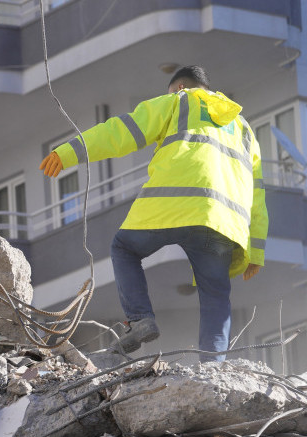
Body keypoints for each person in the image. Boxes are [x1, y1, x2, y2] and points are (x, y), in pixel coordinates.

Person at [40, 64, 266, 361]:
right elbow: (258, 196)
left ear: (180, 89)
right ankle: (213, 367)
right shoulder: (245, 129)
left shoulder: (178, 102)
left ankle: (140, 320)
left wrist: (68, 152)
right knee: (216, 297)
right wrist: (256, 251)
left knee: (123, 248)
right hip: (222, 222)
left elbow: (120, 132)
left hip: (170, 205)